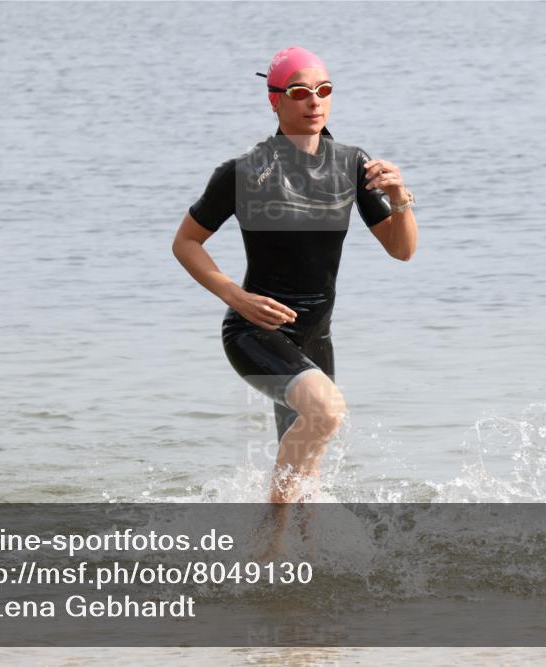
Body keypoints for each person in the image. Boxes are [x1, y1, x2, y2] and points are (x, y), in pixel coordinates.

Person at [172, 46, 418, 505]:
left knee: (309, 478)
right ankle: (270, 540)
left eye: (323, 91)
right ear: (275, 100)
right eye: (300, 92)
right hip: (255, 331)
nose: (314, 102)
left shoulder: (351, 165)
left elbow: (402, 250)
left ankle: (295, 566)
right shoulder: (243, 173)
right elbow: (186, 243)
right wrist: (235, 297)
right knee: (326, 412)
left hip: (315, 335)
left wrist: (400, 196)